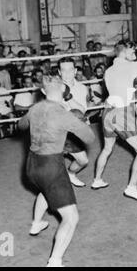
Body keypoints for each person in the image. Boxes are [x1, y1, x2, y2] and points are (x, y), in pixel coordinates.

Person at [18, 74, 95, 267]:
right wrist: (79, 122)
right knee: (71, 218)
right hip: (51, 166)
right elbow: (90, 138)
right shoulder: (64, 114)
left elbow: (20, 125)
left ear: (43, 91)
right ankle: (55, 261)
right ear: (63, 90)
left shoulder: (35, 108)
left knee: (46, 190)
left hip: (31, 165)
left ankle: (36, 223)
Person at [91, 39, 137, 201]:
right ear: (123, 52)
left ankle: (97, 180)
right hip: (121, 114)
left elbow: (120, 88)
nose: (134, 54)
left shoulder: (108, 71)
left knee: (107, 149)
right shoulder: (131, 67)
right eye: (132, 51)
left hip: (107, 112)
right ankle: (132, 187)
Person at [58, 57, 91, 188]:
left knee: (83, 161)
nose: (67, 73)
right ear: (59, 72)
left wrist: (67, 96)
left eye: (70, 70)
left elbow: (81, 111)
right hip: (56, 132)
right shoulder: (53, 87)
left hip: (73, 131)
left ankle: (71, 174)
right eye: (63, 70)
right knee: (53, 167)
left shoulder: (82, 88)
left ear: (75, 71)